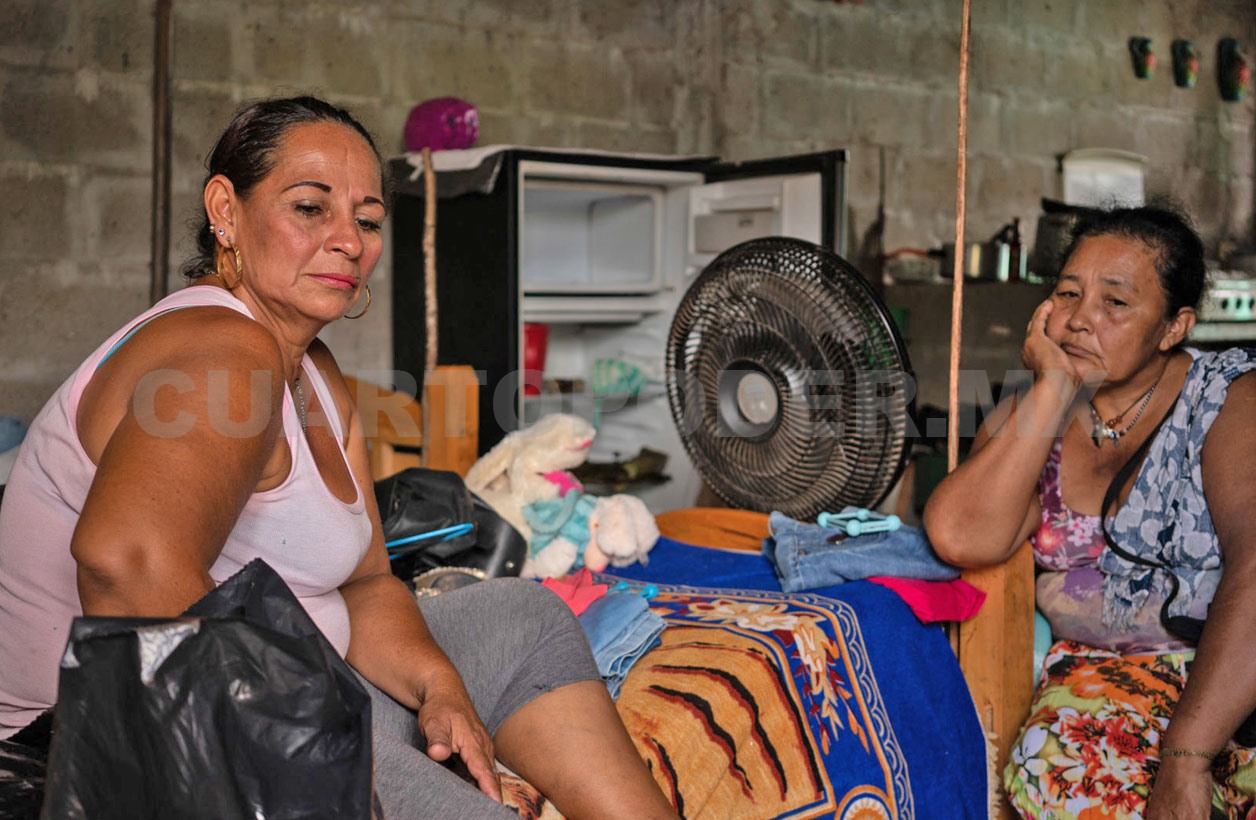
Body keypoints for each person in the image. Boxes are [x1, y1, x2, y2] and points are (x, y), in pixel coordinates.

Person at [0, 95, 678, 820]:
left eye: (368, 220)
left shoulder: (313, 369)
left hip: (303, 680)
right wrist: (309, 749)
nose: (349, 241)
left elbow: (364, 584)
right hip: (99, 739)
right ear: (226, 210)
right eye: (310, 208)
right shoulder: (222, 349)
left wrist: (439, 686)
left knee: (524, 616)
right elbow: (125, 565)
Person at [923, 203, 1256, 819]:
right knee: (1058, 767)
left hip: (1225, 687)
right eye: (1068, 293)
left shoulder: (1229, 403)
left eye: (1115, 302)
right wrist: (1053, 389)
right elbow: (959, 535)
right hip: (1093, 692)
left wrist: (1187, 757)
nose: (1079, 319)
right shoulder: (1031, 413)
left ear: (1173, 327)